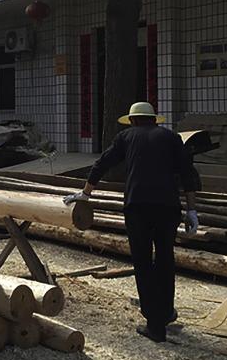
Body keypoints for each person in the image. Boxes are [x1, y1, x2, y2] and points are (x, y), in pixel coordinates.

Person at [80, 101, 200, 343]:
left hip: (138, 208)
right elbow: (188, 173)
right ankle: (165, 313)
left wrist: (85, 193)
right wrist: (192, 210)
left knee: (143, 261)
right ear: (154, 120)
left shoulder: (125, 136)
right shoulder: (172, 138)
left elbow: (102, 163)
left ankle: (154, 325)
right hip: (168, 208)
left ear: (133, 120)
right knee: (166, 258)